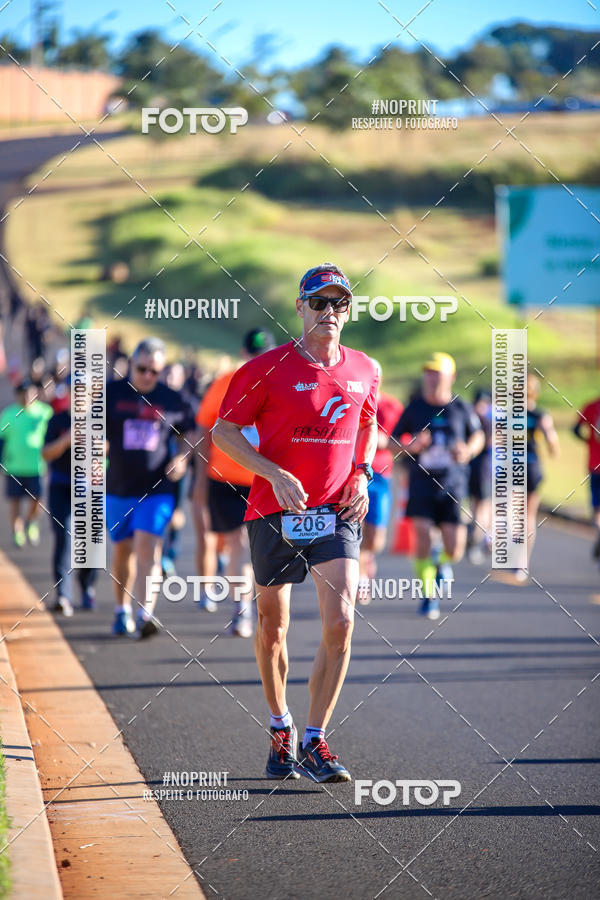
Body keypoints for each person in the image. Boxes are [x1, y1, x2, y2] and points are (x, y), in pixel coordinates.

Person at [213, 262, 378, 783]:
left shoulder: (365, 368)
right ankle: (279, 723)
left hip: (335, 512)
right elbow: (223, 432)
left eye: (339, 303)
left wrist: (363, 473)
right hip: (274, 510)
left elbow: (369, 423)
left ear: (348, 311)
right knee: (272, 627)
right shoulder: (265, 369)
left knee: (342, 622)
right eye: (319, 302)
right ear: (301, 308)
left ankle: (315, 738)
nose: (329, 312)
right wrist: (273, 472)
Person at [105, 338, 196, 638]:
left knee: (148, 547)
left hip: (156, 489)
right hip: (118, 487)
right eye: (142, 369)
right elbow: (92, 429)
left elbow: (190, 432)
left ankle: (145, 613)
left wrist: (181, 457)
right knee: (123, 550)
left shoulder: (172, 398)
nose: (147, 376)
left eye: (154, 371)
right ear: (131, 363)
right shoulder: (112, 393)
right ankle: (121, 611)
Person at [193, 328, 275, 636]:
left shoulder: (280, 384)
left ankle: (255, 606)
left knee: (258, 548)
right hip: (225, 479)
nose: (257, 361)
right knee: (238, 542)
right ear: (243, 354)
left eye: (263, 355)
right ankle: (242, 609)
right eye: (253, 355)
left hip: (265, 480)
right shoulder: (225, 382)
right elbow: (204, 428)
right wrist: (200, 477)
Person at [392, 353, 484, 620]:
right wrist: (410, 446)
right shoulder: (414, 407)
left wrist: (467, 450)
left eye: (437, 374)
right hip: (421, 483)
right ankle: (428, 595)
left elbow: (478, 435)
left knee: (455, 549)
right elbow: (392, 442)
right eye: (428, 373)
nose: (432, 379)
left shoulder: (461, 407)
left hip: (453, 484)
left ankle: (441, 563)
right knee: (421, 535)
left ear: (451, 377)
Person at [42, 377, 98, 616]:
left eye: (85, 391)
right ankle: (63, 595)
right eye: (76, 391)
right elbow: (46, 453)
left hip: (89, 488)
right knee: (64, 536)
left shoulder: (98, 421)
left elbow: (110, 449)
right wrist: (66, 440)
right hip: (61, 485)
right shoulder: (57, 420)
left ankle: (87, 588)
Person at [357, 359, 403, 604]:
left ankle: (367, 559)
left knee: (375, 538)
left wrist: (384, 441)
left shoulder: (391, 406)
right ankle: (360, 576)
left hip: (380, 475)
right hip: (352, 474)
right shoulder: (350, 400)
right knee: (353, 528)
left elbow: (403, 441)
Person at [0, 378, 52, 547]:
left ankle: (31, 522)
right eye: (23, 393)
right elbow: (1, 439)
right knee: (14, 501)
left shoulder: (45, 412)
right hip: (14, 467)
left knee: (37, 500)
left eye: (30, 393)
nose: (27, 397)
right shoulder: (9, 414)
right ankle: (18, 532)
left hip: (37, 466)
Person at [517, 374, 559, 582]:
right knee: (527, 516)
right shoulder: (540, 414)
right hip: (531, 466)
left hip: (518, 467)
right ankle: (522, 562)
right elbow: (553, 443)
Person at [467, 388, 493, 564]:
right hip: (481, 469)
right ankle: (477, 541)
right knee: (481, 508)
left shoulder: (470, 419)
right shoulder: (484, 421)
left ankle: (477, 538)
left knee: (477, 507)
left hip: (474, 468)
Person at [573, 392, 600, 561]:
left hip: (594, 464)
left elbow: (576, 429)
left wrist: (588, 440)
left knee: (597, 508)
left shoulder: (591, 406)